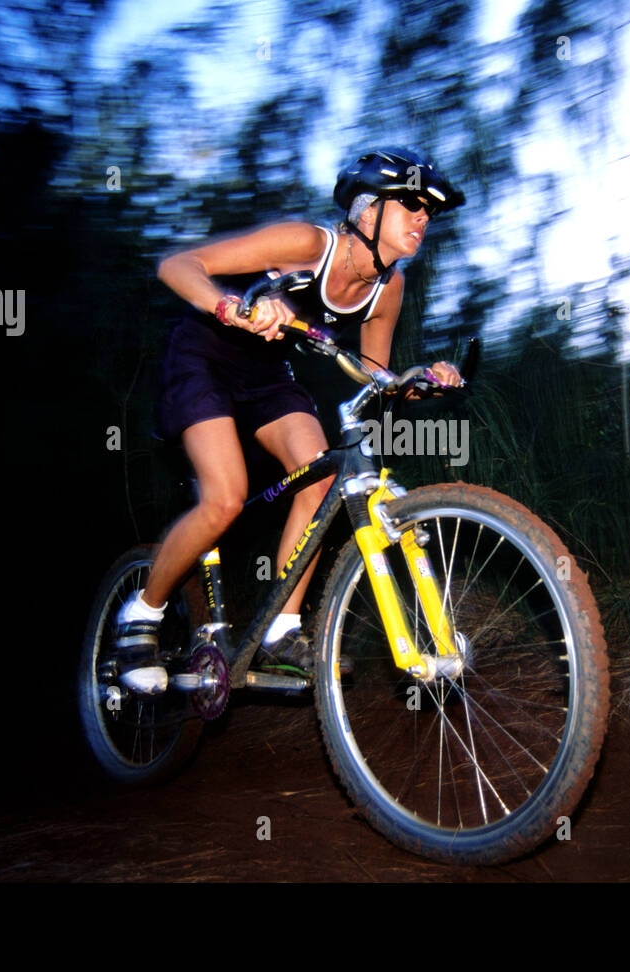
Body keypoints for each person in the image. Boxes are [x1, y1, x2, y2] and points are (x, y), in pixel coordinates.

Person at [114, 147, 467, 693]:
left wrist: (417, 380)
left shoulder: (388, 285)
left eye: (429, 211)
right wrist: (229, 306)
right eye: (412, 204)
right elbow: (177, 266)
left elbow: (374, 372)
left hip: (267, 373)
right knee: (226, 497)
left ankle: (280, 632)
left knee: (321, 474)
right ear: (367, 212)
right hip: (204, 355)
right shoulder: (306, 244)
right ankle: (141, 613)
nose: (424, 217)